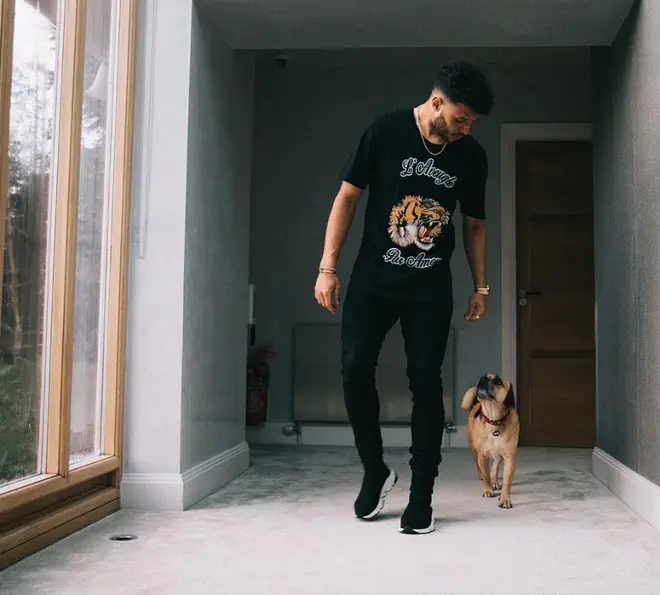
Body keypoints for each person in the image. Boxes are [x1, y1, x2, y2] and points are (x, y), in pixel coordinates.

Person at [314, 60, 494, 535]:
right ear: (437, 102)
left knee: (426, 383)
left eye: (472, 121)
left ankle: (422, 496)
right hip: (372, 282)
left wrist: (480, 286)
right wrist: (327, 268)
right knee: (354, 369)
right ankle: (375, 470)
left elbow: (474, 223)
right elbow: (347, 197)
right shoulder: (386, 131)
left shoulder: (471, 155)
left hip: (429, 290)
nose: (465, 128)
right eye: (460, 118)